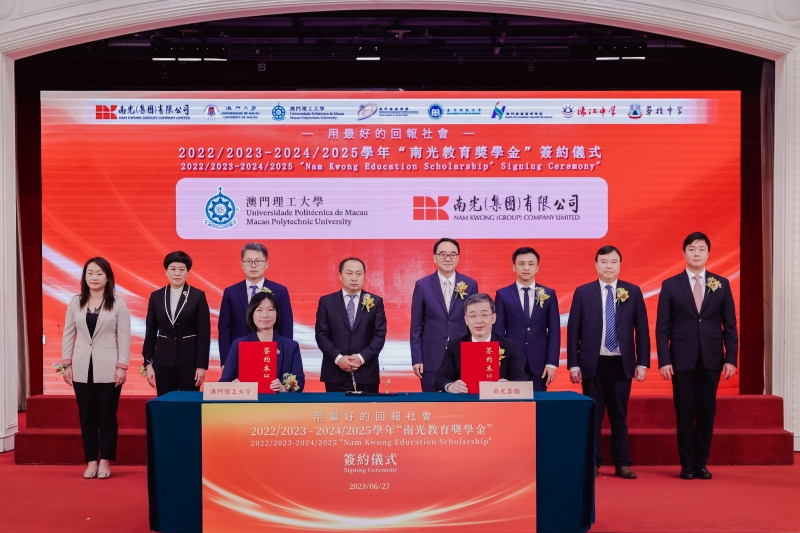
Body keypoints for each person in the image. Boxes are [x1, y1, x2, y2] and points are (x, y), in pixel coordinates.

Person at [656, 232, 738, 480]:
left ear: (708, 253)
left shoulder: (721, 283)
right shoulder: (670, 285)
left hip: (712, 358)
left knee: (706, 410)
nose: (696, 253)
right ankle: (687, 465)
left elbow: (730, 325)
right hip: (681, 358)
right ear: (684, 253)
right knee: (684, 410)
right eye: (692, 249)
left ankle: (701, 462)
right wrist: (664, 360)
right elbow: (662, 328)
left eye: (701, 249)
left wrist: (731, 358)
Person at [567, 245, 650, 479]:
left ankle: (622, 462)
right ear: (596, 265)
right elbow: (573, 330)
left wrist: (642, 363)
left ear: (620, 265)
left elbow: (642, 330)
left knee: (619, 415)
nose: (608, 266)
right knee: (593, 414)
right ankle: (594, 462)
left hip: (621, 363)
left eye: (613, 262)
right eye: (604, 262)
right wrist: (574, 364)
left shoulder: (632, 291)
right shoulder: (583, 292)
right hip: (592, 363)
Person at [60, 257, 131, 479]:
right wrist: (66, 363)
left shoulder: (118, 303)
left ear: (107, 278)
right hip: (81, 367)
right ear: (84, 277)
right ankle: (91, 460)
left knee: (107, 416)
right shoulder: (75, 302)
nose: (94, 277)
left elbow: (124, 337)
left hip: (109, 368)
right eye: (90, 273)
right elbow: (68, 333)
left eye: (99, 273)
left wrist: (122, 366)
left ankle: (106, 461)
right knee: (87, 416)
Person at [411, 238, 479, 392]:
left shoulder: (470, 284)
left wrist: (476, 355)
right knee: (431, 402)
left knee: (462, 402)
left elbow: (475, 323)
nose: (448, 258)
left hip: (463, 355)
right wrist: (417, 358)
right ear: (435, 258)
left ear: (458, 258)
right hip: (430, 357)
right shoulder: (422, 285)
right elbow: (416, 326)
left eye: (452, 254)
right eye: (442, 254)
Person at [142, 251, 211, 396]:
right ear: (166, 271)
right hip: (162, 361)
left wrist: (201, 365)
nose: (177, 273)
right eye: (173, 269)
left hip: (190, 362)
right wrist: (148, 363)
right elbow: (150, 332)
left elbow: (204, 334)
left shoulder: (198, 296)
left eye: (182, 269)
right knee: (166, 403)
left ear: (187, 272)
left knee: (189, 403)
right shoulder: (156, 296)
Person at [315, 257, 386, 392]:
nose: (354, 278)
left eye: (359, 274)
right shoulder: (326, 302)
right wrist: (338, 358)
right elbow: (321, 335)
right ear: (340, 276)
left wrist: (361, 358)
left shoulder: (376, 302)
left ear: (364, 276)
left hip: (366, 373)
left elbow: (379, 335)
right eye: (349, 273)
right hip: (335, 373)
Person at [493, 247, 560, 391]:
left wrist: (551, 363)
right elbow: (498, 331)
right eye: (522, 264)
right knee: (511, 403)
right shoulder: (503, 295)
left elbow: (554, 331)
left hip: (539, 364)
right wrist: (500, 362)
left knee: (537, 402)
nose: (526, 268)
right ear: (514, 267)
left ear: (537, 268)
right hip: (511, 361)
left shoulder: (548, 294)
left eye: (531, 264)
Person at [218, 242, 293, 370]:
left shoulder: (280, 291)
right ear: (242, 264)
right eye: (248, 261)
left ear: (266, 264)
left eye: (258, 261)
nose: (253, 265)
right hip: (239, 356)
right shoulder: (231, 292)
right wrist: (226, 362)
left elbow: (286, 327)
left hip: (271, 355)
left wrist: (285, 359)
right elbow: (224, 329)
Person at [437, 293, 527, 393]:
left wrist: (508, 385)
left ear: (493, 318)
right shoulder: (454, 346)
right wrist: (451, 386)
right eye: (473, 316)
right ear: (466, 320)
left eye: (484, 315)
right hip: (465, 401)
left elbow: (521, 380)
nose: (478, 321)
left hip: (496, 401)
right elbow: (441, 379)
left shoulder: (509, 346)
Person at [219, 291, 305, 392]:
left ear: (277, 313)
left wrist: (284, 389)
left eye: (270, 310)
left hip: (279, 401)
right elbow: (224, 381)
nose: (265, 315)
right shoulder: (239, 345)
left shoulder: (291, 346)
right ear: (251, 314)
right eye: (259, 310)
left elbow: (299, 382)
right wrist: (233, 386)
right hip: (247, 401)